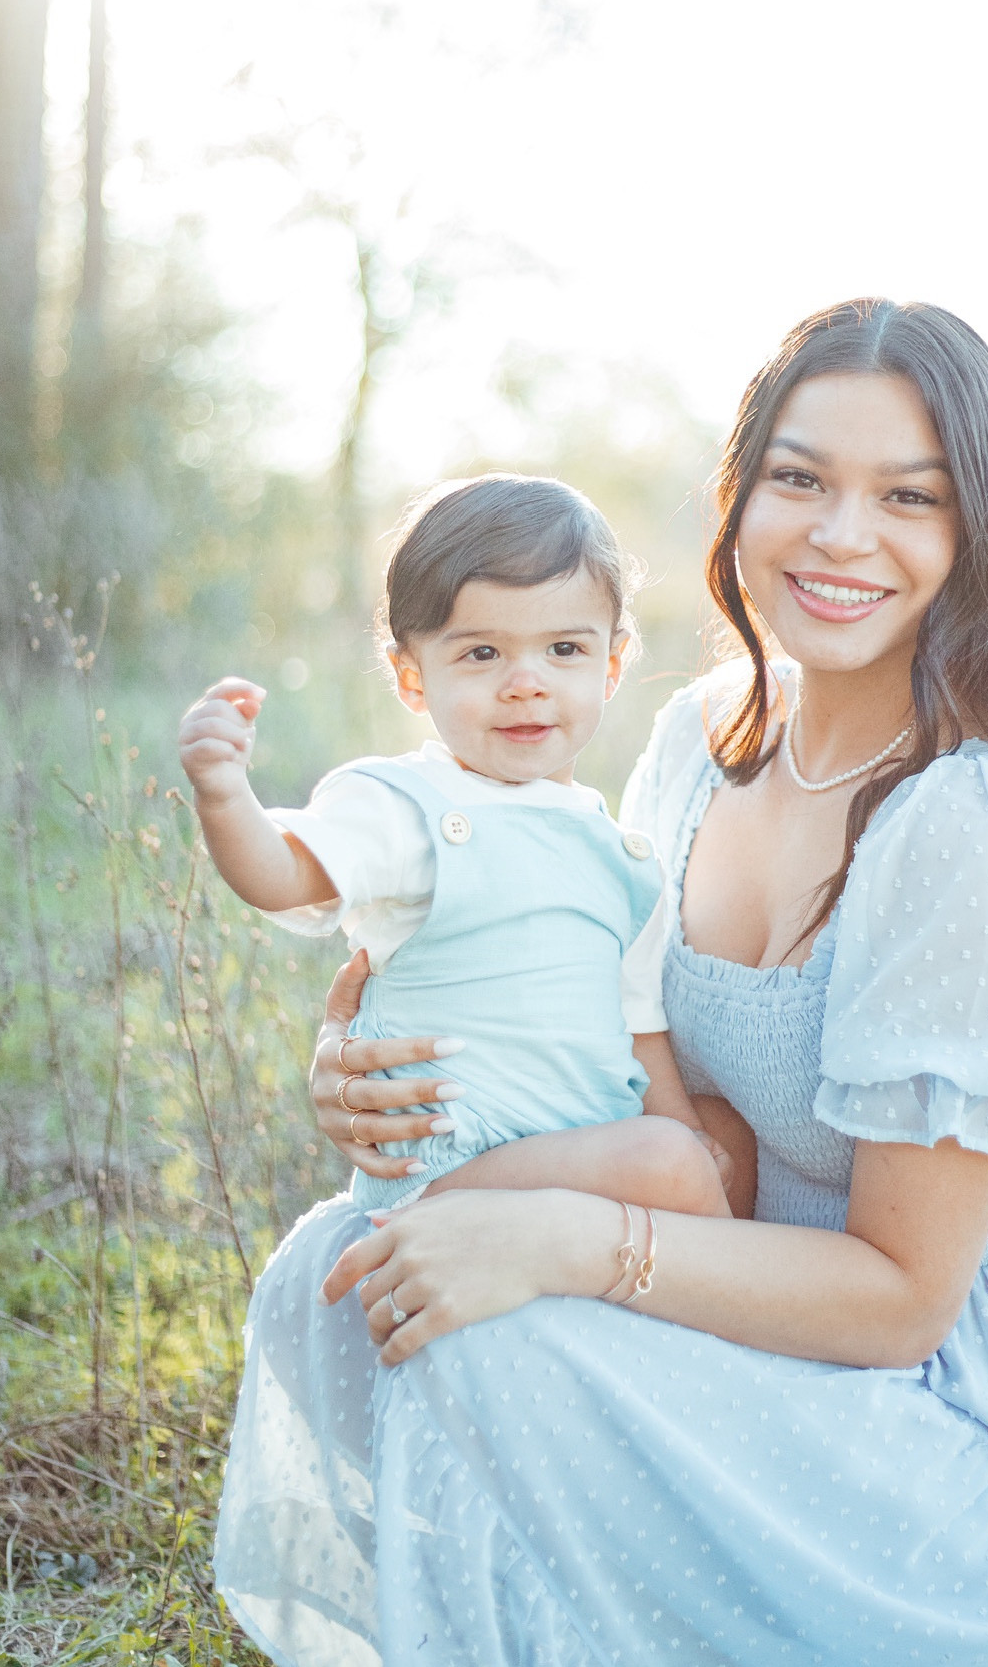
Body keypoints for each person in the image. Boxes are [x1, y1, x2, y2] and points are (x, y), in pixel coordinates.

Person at [214, 299, 988, 1667]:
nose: (840, 537)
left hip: (965, 1443)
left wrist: (567, 1244)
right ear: (739, 495)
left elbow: (902, 1294)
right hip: (744, 1314)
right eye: (799, 478)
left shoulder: (972, 819)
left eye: (908, 497)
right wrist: (369, 1055)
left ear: (977, 531)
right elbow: (632, 1063)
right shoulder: (697, 737)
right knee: (352, 1266)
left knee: (490, 1328)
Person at [177, 474, 730, 1225]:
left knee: (699, 1154)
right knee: (668, 1165)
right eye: (481, 654)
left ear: (611, 664)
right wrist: (222, 793)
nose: (525, 683)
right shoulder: (405, 804)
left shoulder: (621, 858)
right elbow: (281, 876)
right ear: (411, 675)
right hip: (450, 1169)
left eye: (563, 648)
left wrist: (691, 1140)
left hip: (579, 1167)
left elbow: (639, 1030)